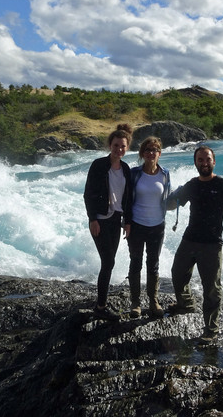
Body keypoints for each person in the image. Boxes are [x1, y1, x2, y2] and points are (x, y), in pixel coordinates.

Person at [167, 145, 223, 344]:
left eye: (207, 159)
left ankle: (211, 329)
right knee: (177, 274)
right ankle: (186, 304)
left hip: (212, 244)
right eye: (200, 160)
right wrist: (161, 198)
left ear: (214, 162)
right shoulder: (192, 185)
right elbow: (172, 204)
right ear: (195, 163)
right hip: (189, 240)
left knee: (211, 288)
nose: (204, 163)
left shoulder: (222, 184)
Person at [83, 124, 134, 321]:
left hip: (115, 220)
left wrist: (127, 222)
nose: (119, 149)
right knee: (108, 261)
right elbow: (88, 194)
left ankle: (101, 302)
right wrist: (92, 219)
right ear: (110, 145)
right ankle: (101, 306)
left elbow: (128, 198)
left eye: (123, 146)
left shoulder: (126, 169)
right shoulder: (98, 165)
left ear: (127, 147)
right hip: (100, 220)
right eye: (116, 145)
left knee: (109, 262)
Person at [126, 137, 172, 318]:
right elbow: (127, 200)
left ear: (159, 153)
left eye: (154, 150)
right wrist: (126, 222)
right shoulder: (134, 173)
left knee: (153, 265)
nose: (151, 153)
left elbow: (167, 198)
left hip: (157, 226)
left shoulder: (165, 174)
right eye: (147, 150)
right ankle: (135, 303)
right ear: (142, 154)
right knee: (135, 263)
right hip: (136, 225)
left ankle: (153, 301)